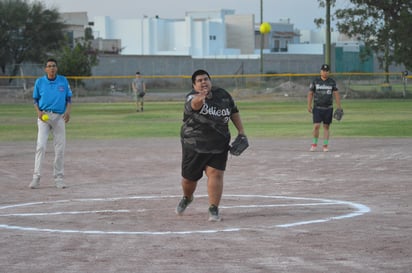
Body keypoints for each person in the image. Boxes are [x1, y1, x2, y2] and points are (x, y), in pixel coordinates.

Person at [175, 69, 247, 222]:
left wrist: (241, 132)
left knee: (216, 174)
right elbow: (194, 105)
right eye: (199, 80)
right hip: (194, 145)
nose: (203, 82)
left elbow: (233, 111)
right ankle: (187, 197)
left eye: (205, 79)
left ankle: (213, 208)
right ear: (194, 85)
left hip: (219, 143)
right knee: (189, 179)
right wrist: (201, 97)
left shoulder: (222, 95)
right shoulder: (191, 97)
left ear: (210, 81)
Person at [29, 58, 72, 189]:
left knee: (60, 148)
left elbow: (68, 98)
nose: (52, 68)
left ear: (56, 68)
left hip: (59, 117)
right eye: (49, 66)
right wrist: (39, 112)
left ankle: (58, 178)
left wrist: (68, 111)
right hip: (44, 117)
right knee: (40, 146)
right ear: (45, 69)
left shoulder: (63, 81)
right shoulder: (40, 82)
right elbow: (35, 99)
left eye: (54, 66)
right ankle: (36, 178)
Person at [307, 64, 342, 152]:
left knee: (326, 127)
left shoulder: (332, 82)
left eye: (327, 71)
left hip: (328, 108)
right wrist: (309, 105)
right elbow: (310, 93)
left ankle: (325, 145)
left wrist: (339, 106)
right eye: (323, 70)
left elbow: (336, 94)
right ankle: (314, 144)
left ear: (329, 72)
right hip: (317, 107)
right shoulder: (315, 81)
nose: (325, 72)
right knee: (316, 126)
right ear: (320, 71)